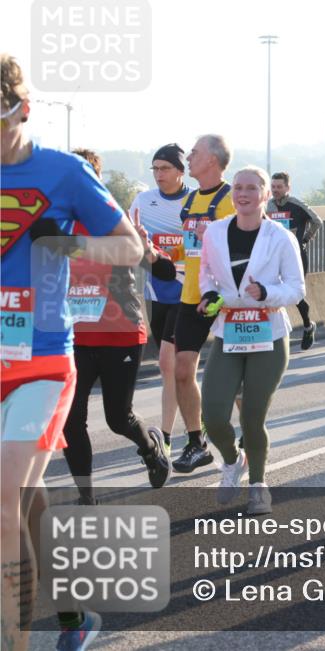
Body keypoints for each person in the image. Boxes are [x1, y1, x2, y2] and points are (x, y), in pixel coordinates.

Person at [1, 52, 144, 650]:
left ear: (22, 109)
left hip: (41, 361)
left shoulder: (63, 172)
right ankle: (74, 613)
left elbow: (131, 249)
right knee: (25, 500)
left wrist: (63, 243)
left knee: (4, 502)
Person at [62, 148, 171, 504]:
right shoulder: (54, 223)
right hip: (74, 337)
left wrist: (144, 247)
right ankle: (87, 498)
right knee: (70, 421)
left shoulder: (116, 221)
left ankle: (150, 448)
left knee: (117, 418)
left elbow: (160, 269)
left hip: (120, 333)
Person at [198, 166, 305, 515]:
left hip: (268, 334)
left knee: (252, 417)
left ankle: (259, 485)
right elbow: (206, 275)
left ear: (265, 195)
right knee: (213, 414)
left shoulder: (280, 237)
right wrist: (209, 295)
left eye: (252, 188)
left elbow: (296, 288)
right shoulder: (215, 232)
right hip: (228, 331)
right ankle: (233, 461)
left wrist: (267, 292)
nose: (243, 194)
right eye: (238, 188)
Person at [170, 134, 237, 474]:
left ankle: (251, 439)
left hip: (226, 299)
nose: (188, 158)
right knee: (182, 370)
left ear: (212, 159)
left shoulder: (232, 199)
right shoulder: (190, 199)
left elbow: (245, 246)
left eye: (194, 153)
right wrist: (156, 252)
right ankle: (197, 443)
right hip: (192, 296)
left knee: (238, 379)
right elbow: (187, 249)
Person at [127, 144, 190, 454]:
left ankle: (165, 436)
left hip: (187, 293)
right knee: (172, 370)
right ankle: (192, 424)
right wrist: (139, 243)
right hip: (156, 292)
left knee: (169, 362)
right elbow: (129, 242)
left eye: (165, 168)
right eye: (155, 168)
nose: (159, 174)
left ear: (180, 171)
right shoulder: (143, 201)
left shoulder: (194, 201)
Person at [267, 171, 322, 350]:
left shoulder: (296, 205)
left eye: (279, 186)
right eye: (273, 186)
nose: (275, 190)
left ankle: (307, 326)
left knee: (296, 294)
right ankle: (273, 335)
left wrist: (305, 239)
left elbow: (317, 221)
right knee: (271, 292)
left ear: (287, 187)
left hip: (296, 256)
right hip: (274, 256)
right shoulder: (268, 206)